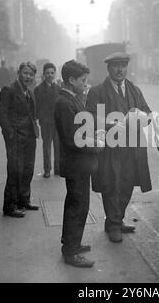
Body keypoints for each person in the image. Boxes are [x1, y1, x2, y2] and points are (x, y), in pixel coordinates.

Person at [86, 52, 152, 243]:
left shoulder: (134, 90)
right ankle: (113, 224)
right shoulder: (97, 92)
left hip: (132, 149)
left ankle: (117, 219)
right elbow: (89, 118)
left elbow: (148, 113)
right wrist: (110, 125)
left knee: (127, 184)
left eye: (123, 65)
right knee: (111, 185)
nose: (120, 69)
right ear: (109, 68)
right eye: (116, 65)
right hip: (110, 149)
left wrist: (141, 116)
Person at [55, 60, 102, 267]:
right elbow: (73, 138)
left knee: (77, 205)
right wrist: (96, 145)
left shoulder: (71, 98)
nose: (86, 84)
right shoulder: (64, 103)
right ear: (71, 80)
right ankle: (71, 253)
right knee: (78, 206)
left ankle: (71, 242)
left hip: (78, 165)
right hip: (76, 165)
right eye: (82, 80)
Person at [0, 62, 40, 218]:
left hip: (29, 138)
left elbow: (32, 114)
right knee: (15, 171)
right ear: (19, 73)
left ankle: (23, 201)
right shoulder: (9, 90)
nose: (28, 77)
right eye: (25, 73)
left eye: (31, 74)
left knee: (28, 169)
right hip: (15, 138)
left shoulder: (30, 91)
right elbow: (0, 115)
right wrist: (10, 134)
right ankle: (10, 206)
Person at [34, 63, 61, 178]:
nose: (50, 75)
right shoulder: (38, 89)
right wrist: (40, 119)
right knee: (46, 147)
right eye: (47, 73)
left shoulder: (58, 89)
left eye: (52, 73)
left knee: (58, 146)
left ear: (55, 74)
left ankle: (58, 168)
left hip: (57, 122)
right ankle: (47, 169)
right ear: (44, 74)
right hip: (46, 123)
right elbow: (37, 106)